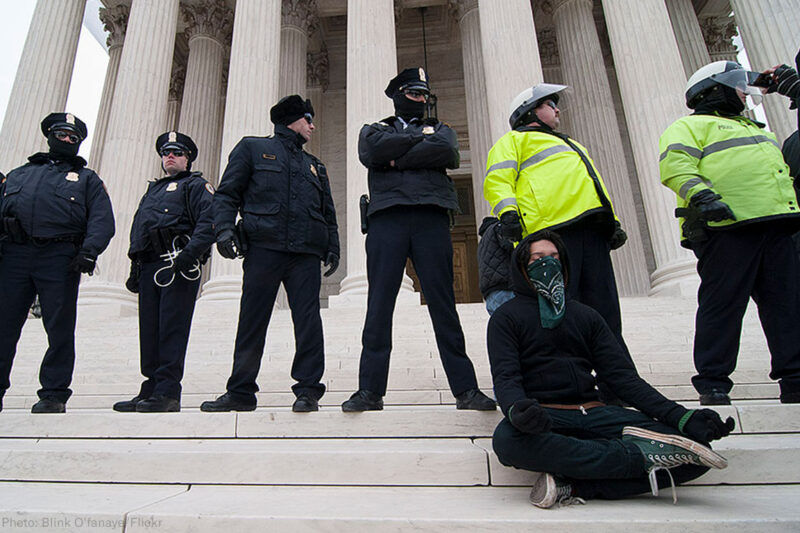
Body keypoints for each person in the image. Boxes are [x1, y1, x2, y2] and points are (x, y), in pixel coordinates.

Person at [489, 231, 734, 508]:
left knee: (697, 453)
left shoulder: (586, 315)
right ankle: (638, 456)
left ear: (565, 263)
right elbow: (506, 377)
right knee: (507, 441)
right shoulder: (505, 318)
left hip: (595, 413)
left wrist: (682, 417)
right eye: (538, 258)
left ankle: (576, 486)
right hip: (545, 415)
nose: (548, 263)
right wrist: (517, 409)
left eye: (555, 257)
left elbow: (623, 378)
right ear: (522, 266)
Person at [341, 67, 495, 412]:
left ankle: (466, 390)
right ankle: (370, 391)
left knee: (444, 306)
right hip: (387, 220)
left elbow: (448, 152)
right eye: (414, 94)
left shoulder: (442, 130)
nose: (421, 100)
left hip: (431, 218)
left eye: (424, 95)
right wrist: (418, 144)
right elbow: (370, 152)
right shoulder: (375, 130)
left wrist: (394, 158)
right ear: (398, 95)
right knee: (379, 307)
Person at [659, 60, 800, 405]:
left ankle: (795, 377)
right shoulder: (690, 126)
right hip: (726, 228)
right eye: (737, 85)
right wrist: (702, 196)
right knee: (722, 306)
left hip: (775, 225)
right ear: (713, 90)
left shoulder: (758, 130)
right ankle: (713, 381)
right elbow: (675, 166)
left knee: (788, 306)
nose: (744, 92)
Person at [483, 83, 632, 402]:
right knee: (559, 313)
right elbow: (497, 179)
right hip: (551, 237)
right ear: (529, 111)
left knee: (606, 312)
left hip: (591, 231)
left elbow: (594, 185)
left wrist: (612, 220)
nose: (557, 109)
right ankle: (562, 384)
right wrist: (508, 213)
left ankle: (619, 386)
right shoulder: (514, 141)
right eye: (550, 104)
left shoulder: (573, 144)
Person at [201, 95, 339, 413]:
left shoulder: (315, 165)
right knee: (253, 320)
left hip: (305, 253)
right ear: (292, 120)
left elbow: (328, 212)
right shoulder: (252, 148)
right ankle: (240, 391)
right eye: (308, 120)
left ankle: (308, 390)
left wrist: (333, 246)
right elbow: (227, 195)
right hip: (264, 247)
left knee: (308, 321)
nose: (313, 127)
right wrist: (223, 230)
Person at [0, 112, 115, 413]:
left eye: (72, 138)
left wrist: (89, 251)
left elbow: (102, 219)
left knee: (59, 328)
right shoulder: (18, 175)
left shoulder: (88, 180)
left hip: (59, 257)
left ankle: (53, 393)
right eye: (61, 134)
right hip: (14, 255)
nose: (65, 140)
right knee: (3, 326)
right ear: (49, 135)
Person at [113, 132, 214, 413]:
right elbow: (140, 228)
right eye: (166, 152)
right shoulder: (152, 191)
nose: (170, 156)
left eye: (177, 153)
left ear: (188, 159)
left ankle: (168, 391)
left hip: (178, 264)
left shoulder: (197, 186)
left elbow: (209, 222)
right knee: (150, 329)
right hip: (149, 264)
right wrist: (135, 266)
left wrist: (190, 254)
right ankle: (150, 387)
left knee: (172, 327)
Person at [477, 216, 514, 315]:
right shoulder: (497, 228)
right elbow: (510, 246)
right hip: (505, 287)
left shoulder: (482, 242)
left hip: (490, 293)